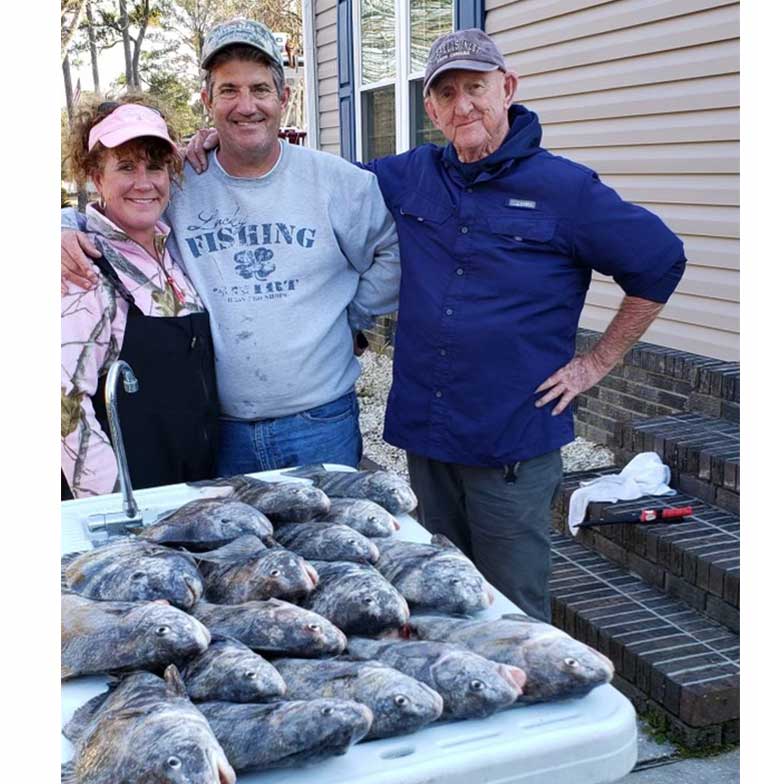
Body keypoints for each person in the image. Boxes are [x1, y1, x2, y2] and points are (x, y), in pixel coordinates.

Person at [184, 28, 687, 621]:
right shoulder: (409, 175)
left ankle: (529, 709)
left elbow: (660, 262)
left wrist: (595, 363)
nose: (463, 105)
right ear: (430, 108)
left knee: (513, 606)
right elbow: (301, 178)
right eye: (446, 94)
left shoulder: (566, 190)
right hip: (429, 438)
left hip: (511, 439)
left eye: (476, 87)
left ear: (509, 89)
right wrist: (220, 139)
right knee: (438, 591)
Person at [61, 18, 400, 477]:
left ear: (284, 98)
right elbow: (112, 214)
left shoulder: (340, 183)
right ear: (207, 101)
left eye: (260, 89)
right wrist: (59, 227)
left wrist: (352, 319)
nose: (246, 106)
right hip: (217, 435)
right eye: (228, 90)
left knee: (326, 545)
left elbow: (391, 249)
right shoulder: (179, 181)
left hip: (319, 423)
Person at [61, 99, 219, 499]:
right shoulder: (82, 269)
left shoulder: (174, 252)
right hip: (130, 503)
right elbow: (63, 403)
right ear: (97, 177)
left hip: (191, 484)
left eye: (155, 166)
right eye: (126, 167)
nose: (144, 182)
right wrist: (114, 504)